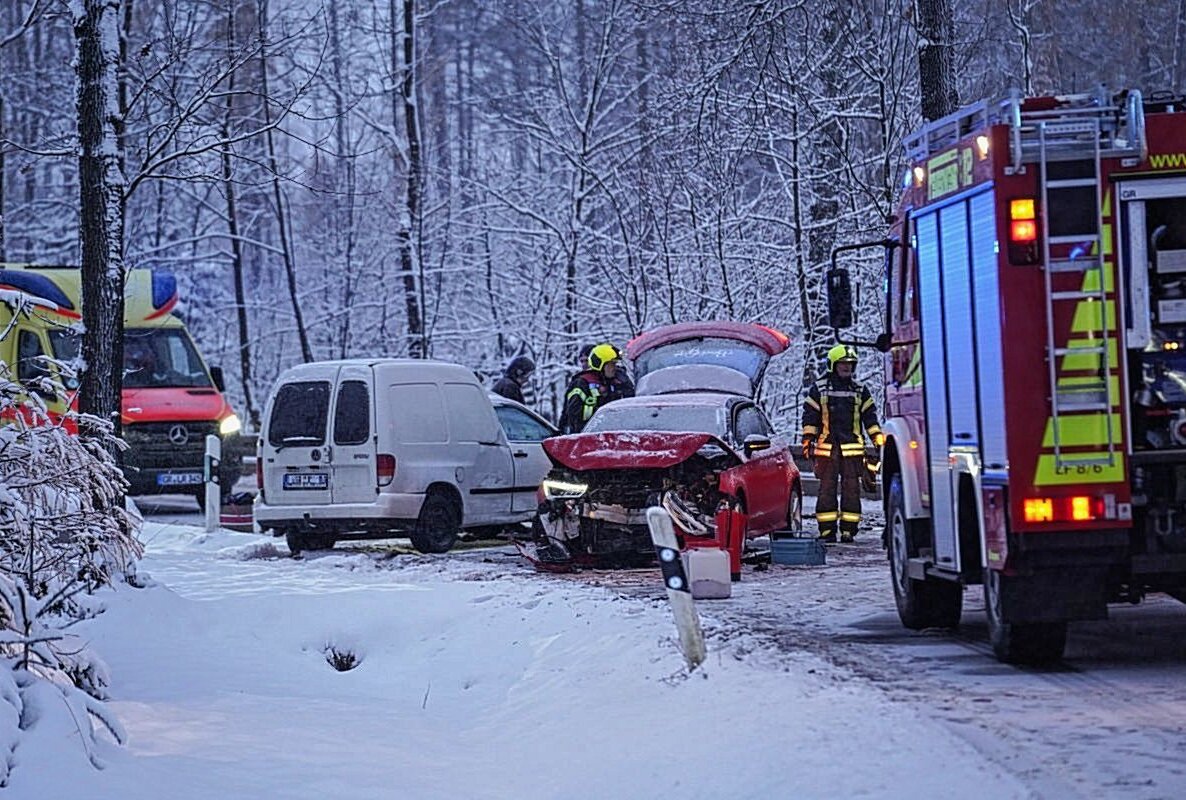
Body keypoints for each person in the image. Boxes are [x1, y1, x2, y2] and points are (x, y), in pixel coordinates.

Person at [801, 344, 882, 543]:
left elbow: (870, 419)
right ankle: (827, 531)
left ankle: (848, 530)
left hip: (852, 451)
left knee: (852, 491)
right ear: (833, 365)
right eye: (843, 364)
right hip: (827, 450)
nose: (847, 368)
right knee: (826, 490)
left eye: (850, 365)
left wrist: (878, 440)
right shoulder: (819, 389)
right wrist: (808, 440)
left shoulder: (860, 390)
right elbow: (810, 417)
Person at [560, 342, 630, 434]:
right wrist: (602, 412)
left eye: (615, 364)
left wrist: (625, 384)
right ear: (599, 363)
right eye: (611, 364)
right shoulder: (582, 383)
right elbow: (573, 413)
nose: (614, 368)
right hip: (587, 437)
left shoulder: (619, 381)